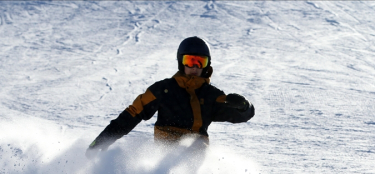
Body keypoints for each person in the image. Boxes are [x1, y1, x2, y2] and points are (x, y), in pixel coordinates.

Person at [86, 36, 255, 158]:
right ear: (181, 62)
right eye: (190, 61)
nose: (194, 67)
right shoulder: (164, 89)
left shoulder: (212, 96)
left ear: (206, 65)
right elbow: (133, 114)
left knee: (197, 149)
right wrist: (103, 140)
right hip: (164, 153)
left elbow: (241, 115)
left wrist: (243, 106)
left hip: (196, 157)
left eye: (200, 62)